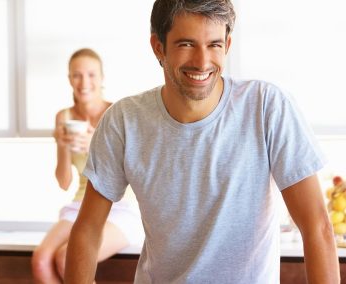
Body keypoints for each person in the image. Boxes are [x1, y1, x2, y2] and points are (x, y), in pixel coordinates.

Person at [65, 1, 340, 283]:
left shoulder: (267, 107)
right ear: (158, 47)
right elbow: (87, 230)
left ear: (228, 44)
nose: (202, 61)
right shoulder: (123, 121)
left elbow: (316, 225)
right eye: (187, 44)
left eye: (214, 45)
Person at [31, 48, 143, 284]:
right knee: (41, 262)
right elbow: (64, 183)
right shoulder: (64, 117)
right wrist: (61, 144)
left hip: (121, 205)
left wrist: (98, 143)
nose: (84, 82)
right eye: (77, 75)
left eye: (91, 75)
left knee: (66, 259)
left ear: (102, 79)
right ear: (69, 79)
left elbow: (135, 174)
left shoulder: (117, 113)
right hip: (80, 204)